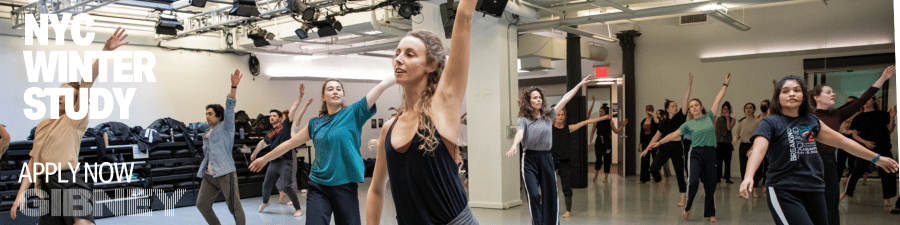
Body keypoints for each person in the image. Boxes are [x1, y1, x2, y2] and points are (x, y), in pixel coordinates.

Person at [362, 2, 477, 224]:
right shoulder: (389, 128)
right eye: (396, 53)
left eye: (409, 54)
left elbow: (464, 18)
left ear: (431, 65)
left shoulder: (443, 106)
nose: (398, 59)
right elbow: (376, 190)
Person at [739, 75, 899, 225]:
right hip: (785, 189)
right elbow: (759, 149)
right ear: (778, 98)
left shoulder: (811, 120)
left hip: (814, 187)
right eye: (785, 91)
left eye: (796, 90)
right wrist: (748, 176)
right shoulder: (770, 122)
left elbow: (844, 142)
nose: (791, 94)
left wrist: (877, 158)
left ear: (803, 96)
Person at [10, 28, 128, 225]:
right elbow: (32, 164)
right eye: (59, 93)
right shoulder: (43, 125)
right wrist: (20, 194)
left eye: (65, 96)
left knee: (82, 223)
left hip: (68, 181)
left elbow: (87, 82)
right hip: (47, 188)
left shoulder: (74, 119)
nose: (59, 97)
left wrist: (106, 51)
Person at [250, 74, 396, 224]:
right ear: (323, 97)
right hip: (318, 185)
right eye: (330, 89)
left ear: (343, 94)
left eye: (339, 89)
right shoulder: (315, 123)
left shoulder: (353, 113)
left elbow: (380, 87)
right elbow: (289, 143)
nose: (335, 92)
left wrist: (397, 75)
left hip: (345, 185)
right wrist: (264, 158)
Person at [503, 75, 595, 225]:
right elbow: (520, 133)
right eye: (535, 98)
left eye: (540, 97)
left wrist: (579, 85)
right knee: (533, 195)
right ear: (529, 101)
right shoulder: (523, 119)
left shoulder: (549, 115)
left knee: (550, 195)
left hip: (546, 158)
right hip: (530, 159)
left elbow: (565, 99)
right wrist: (514, 145)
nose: (538, 100)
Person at [810, 65, 893, 224]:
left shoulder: (837, 114)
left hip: (828, 161)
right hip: (809, 162)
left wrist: (883, 78)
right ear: (816, 97)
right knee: (812, 201)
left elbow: (862, 99)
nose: (833, 93)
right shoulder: (806, 116)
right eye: (828, 92)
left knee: (832, 201)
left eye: (833, 91)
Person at [647, 73, 731, 223]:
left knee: (711, 183)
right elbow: (673, 134)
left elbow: (718, 98)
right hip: (696, 153)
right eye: (691, 106)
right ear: (690, 110)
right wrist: (659, 143)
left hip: (711, 152)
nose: (693, 108)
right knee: (693, 182)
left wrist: (725, 84)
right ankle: (687, 207)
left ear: (701, 107)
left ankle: (710, 213)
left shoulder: (710, 117)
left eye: (696, 105)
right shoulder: (687, 124)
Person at [192, 69, 247, 225]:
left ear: (219, 116)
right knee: (202, 204)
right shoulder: (208, 132)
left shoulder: (227, 127)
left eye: (210, 113)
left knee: (234, 208)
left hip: (225, 173)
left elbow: (230, 106)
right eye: (206, 113)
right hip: (209, 175)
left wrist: (233, 87)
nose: (207, 116)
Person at [250, 83, 313, 217]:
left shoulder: (285, 125)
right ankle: (265, 203)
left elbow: (294, 108)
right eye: (270, 116)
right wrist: (255, 153)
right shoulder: (270, 133)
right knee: (266, 185)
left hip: (286, 161)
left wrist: (300, 96)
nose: (271, 117)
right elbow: (262, 143)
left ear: (280, 118)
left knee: (288, 186)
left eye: (274, 115)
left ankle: (298, 209)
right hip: (273, 162)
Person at [641, 73, 693, 207]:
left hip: (676, 148)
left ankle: (683, 199)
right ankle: (660, 185)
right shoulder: (663, 123)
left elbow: (685, 100)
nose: (676, 107)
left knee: (680, 174)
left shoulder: (681, 117)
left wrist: (689, 85)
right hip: (664, 148)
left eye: (676, 105)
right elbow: (655, 137)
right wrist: (647, 149)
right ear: (667, 109)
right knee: (653, 169)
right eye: (673, 106)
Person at [552, 106, 614, 218]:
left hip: (564, 161)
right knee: (549, 185)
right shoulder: (548, 129)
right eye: (558, 115)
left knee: (566, 186)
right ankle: (551, 209)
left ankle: (568, 211)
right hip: (551, 160)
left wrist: (604, 117)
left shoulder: (569, 128)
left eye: (562, 115)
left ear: (565, 116)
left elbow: (587, 121)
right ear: (554, 116)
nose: (560, 117)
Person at [840, 97, 897, 207]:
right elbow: (854, 135)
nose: (866, 101)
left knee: (888, 173)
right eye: (864, 100)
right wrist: (865, 142)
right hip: (866, 149)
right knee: (856, 172)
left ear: (874, 101)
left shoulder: (883, 114)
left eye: (868, 99)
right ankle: (845, 193)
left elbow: (889, 130)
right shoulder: (858, 117)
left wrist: (892, 117)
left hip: (883, 148)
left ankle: (887, 199)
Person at [590, 104, 628, 183]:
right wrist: (590, 141)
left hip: (607, 142)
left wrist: (622, 125)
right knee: (598, 159)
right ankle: (596, 175)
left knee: (607, 159)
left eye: (601, 112)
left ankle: (606, 177)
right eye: (599, 111)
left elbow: (616, 131)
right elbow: (592, 132)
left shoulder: (610, 121)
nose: (600, 113)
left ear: (605, 112)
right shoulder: (597, 121)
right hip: (599, 141)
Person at [733, 103, 762, 197]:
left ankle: (754, 190)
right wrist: (734, 139)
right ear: (744, 110)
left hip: (753, 145)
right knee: (743, 167)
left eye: (750, 108)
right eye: (746, 108)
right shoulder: (741, 122)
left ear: (754, 110)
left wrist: (752, 148)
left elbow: (758, 136)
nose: (748, 109)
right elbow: (738, 134)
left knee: (755, 168)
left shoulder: (757, 121)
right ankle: (743, 190)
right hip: (743, 145)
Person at [715, 101, 736, 184]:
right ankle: (718, 178)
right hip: (719, 143)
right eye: (724, 109)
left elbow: (729, 128)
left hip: (727, 144)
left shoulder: (733, 119)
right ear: (722, 110)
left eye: (727, 109)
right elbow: (715, 131)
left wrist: (727, 118)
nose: (725, 110)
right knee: (718, 162)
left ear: (729, 110)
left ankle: (727, 178)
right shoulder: (717, 119)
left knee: (727, 162)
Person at [639, 105, 660, 183]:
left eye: (650, 109)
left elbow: (657, 122)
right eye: (647, 109)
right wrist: (639, 144)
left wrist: (653, 114)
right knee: (644, 160)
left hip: (653, 141)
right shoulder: (643, 120)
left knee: (655, 159)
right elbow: (641, 133)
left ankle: (657, 178)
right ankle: (643, 179)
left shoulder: (655, 119)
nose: (648, 111)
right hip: (645, 141)